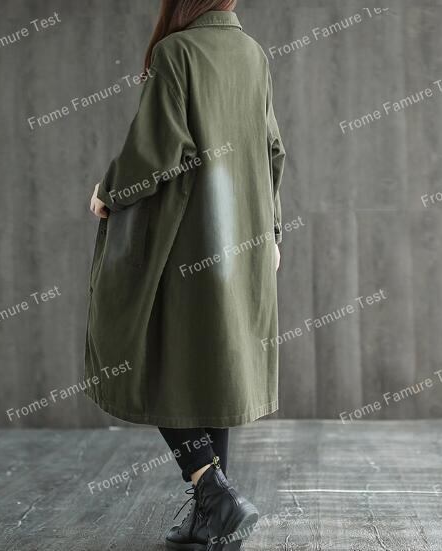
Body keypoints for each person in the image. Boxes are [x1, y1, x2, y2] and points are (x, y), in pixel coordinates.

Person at [86, 1, 285, 549]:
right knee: (211, 366)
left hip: (186, 238)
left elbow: (156, 151)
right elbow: (272, 149)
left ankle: (214, 492)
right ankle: (212, 512)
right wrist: (273, 231)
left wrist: (109, 192)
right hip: (243, 237)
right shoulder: (252, 54)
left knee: (150, 357)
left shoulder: (176, 53)